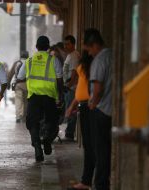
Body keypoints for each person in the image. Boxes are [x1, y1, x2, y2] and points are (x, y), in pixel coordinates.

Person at [17, 36, 64, 162]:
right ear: (48, 47)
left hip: (34, 97)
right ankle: (47, 141)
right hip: (49, 96)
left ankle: (37, 147)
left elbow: (20, 77)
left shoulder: (29, 61)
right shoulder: (54, 60)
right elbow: (60, 79)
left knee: (32, 123)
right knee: (52, 121)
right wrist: (61, 95)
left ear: (36, 47)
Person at [82, 28, 112, 190]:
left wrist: (92, 103)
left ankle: (100, 184)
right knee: (107, 149)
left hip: (101, 111)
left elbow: (98, 88)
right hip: (113, 109)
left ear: (94, 45)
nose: (89, 54)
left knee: (100, 150)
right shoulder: (112, 55)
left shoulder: (99, 60)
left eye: (88, 49)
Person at [66, 50, 93, 190]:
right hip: (84, 106)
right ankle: (87, 180)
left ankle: (87, 181)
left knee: (90, 146)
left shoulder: (90, 67)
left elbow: (94, 89)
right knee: (89, 146)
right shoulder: (84, 67)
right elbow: (81, 89)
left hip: (90, 107)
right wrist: (72, 106)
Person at [63, 35, 80, 141]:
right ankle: (69, 132)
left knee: (71, 110)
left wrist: (68, 87)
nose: (65, 46)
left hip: (72, 88)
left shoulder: (74, 56)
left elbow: (74, 74)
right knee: (69, 109)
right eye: (65, 44)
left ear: (73, 44)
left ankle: (69, 134)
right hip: (69, 87)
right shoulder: (70, 55)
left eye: (68, 44)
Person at [7, 51, 29, 123]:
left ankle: (18, 116)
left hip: (18, 84)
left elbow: (10, 74)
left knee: (18, 100)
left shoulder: (16, 63)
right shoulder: (30, 62)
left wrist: (8, 84)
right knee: (26, 101)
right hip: (27, 84)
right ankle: (24, 116)